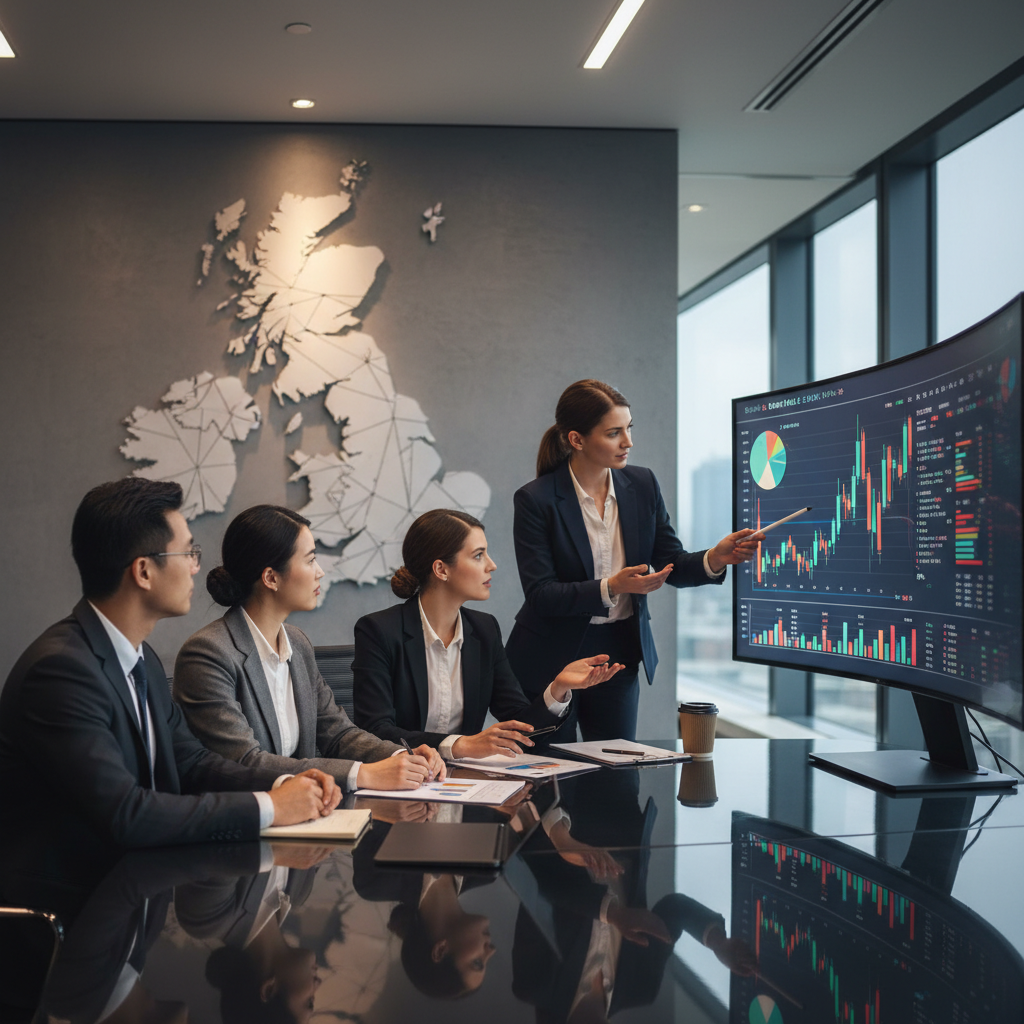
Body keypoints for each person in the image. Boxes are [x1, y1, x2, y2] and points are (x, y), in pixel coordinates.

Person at [0, 479, 341, 879]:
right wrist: (271, 806)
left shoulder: (137, 655)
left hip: (134, 886)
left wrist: (289, 783)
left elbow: (192, 761)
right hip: (70, 912)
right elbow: (127, 814)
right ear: (144, 571)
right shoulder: (60, 671)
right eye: (188, 552)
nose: (197, 566)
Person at [505, 379, 762, 743]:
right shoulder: (536, 499)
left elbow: (671, 561)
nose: (628, 442)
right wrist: (612, 587)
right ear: (577, 439)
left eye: (629, 428)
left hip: (619, 654)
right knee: (550, 777)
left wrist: (714, 558)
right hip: (552, 657)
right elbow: (541, 594)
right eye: (614, 433)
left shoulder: (642, 485)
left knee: (615, 778)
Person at [173, 505, 444, 793]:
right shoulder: (208, 654)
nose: (320, 571)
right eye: (311, 559)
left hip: (305, 809)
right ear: (271, 578)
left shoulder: (297, 643)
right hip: (245, 818)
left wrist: (402, 756)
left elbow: (337, 732)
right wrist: (363, 775)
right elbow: (244, 762)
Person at [352, 509, 623, 759]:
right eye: (478, 555)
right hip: (402, 785)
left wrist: (558, 688)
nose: (491, 565)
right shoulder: (378, 631)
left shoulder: (484, 630)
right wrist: (459, 745)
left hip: (466, 783)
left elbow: (520, 723)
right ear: (441, 569)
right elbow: (376, 731)